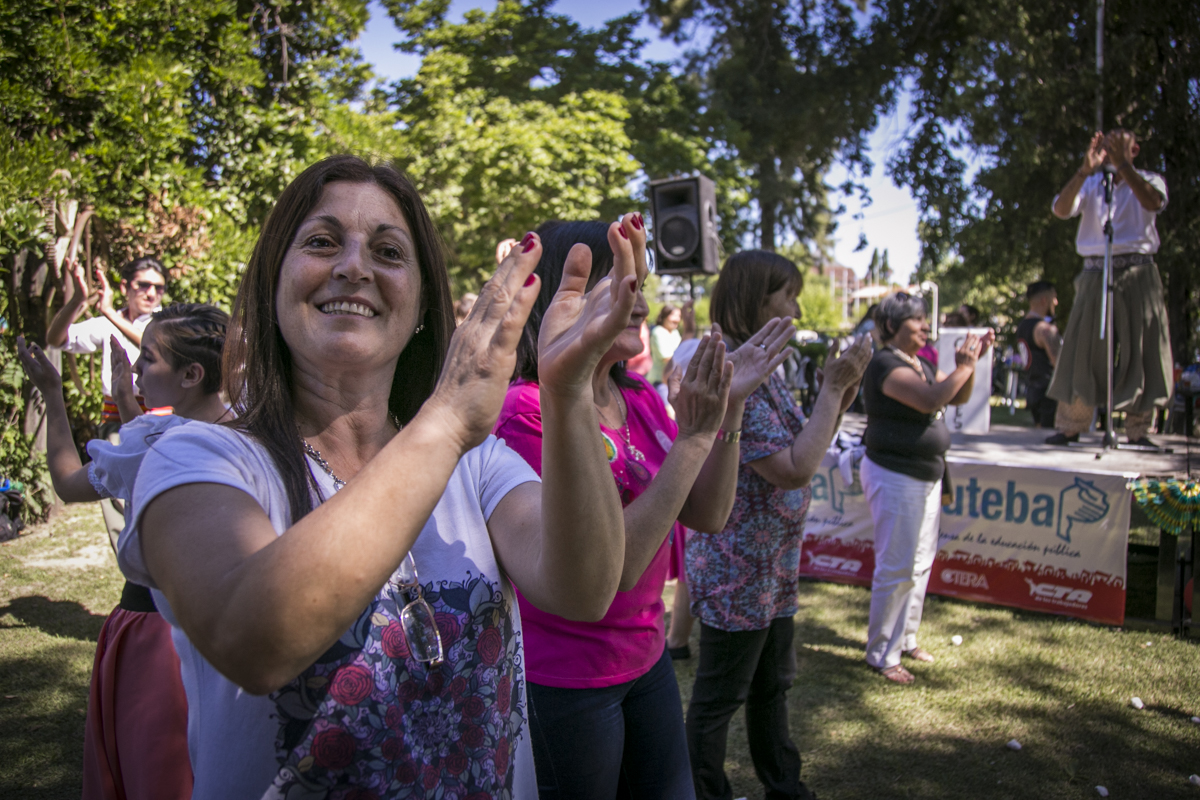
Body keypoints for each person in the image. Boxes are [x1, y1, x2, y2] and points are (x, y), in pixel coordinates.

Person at [116, 156, 638, 799]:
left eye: (388, 252)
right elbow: (252, 638)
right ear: (273, 282)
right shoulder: (195, 458)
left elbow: (583, 588)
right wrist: (447, 417)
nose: (354, 267)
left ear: (420, 304)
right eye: (321, 242)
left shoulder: (476, 463)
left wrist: (571, 389)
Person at [496, 220, 793, 799]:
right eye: (621, 284)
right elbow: (620, 568)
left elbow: (707, 513)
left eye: (642, 285)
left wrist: (729, 408)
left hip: (646, 656)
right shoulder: (526, 412)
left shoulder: (637, 396)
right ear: (563, 297)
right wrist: (693, 440)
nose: (642, 302)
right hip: (567, 677)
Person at [17, 303, 232, 800]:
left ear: (191, 375)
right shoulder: (249, 429)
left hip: (155, 634)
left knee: (154, 771)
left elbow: (69, 482)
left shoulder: (153, 445)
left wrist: (52, 394)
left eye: (148, 358)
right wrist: (127, 405)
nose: (135, 367)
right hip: (227, 631)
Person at [684, 250, 872, 800]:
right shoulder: (729, 370)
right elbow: (792, 468)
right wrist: (831, 392)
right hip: (736, 572)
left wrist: (841, 391)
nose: (796, 308)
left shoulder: (763, 369)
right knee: (719, 700)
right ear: (754, 300)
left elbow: (804, 440)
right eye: (787, 295)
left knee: (772, 688)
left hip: (771, 570)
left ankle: (786, 789)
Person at [860, 292, 993, 685]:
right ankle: (881, 654)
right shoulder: (885, 363)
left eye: (923, 318)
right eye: (915, 320)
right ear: (891, 326)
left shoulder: (918, 362)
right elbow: (931, 399)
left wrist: (971, 365)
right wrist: (964, 366)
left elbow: (954, 395)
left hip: (924, 476)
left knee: (918, 564)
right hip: (896, 475)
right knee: (897, 566)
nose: (924, 326)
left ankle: (905, 639)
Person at [1046, 128, 1172, 447]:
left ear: (1135, 149)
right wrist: (1083, 170)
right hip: (1095, 270)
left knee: (1142, 346)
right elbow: (1061, 210)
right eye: (1106, 146)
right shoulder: (1091, 184)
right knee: (1082, 346)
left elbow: (1153, 202)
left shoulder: (1150, 180)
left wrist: (1124, 167)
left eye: (1117, 145)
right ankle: (1071, 423)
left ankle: (1139, 428)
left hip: (1139, 269)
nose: (1110, 151)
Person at [45, 256, 168, 549]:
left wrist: (110, 312)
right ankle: (131, 568)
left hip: (161, 422)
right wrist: (78, 300)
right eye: (143, 285)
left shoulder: (166, 321)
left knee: (157, 498)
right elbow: (56, 339)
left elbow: (154, 344)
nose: (151, 293)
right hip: (115, 423)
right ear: (125, 286)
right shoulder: (106, 323)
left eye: (159, 287)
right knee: (116, 502)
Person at [1016, 281, 1062, 428]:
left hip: (1033, 390)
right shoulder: (1045, 330)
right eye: (1054, 298)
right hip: (1049, 394)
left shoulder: (1022, 326)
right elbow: (1059, 364)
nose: (1056, 302)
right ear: (1044, 300)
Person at [649, 303, 691, 399]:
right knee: (668, 408)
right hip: (659, 382)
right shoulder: (658, 332)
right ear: (664, 316)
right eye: (673, 315)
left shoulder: (675, 333)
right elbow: (667, 358)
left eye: (679, 316)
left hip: (674, 381)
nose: (677, 319)